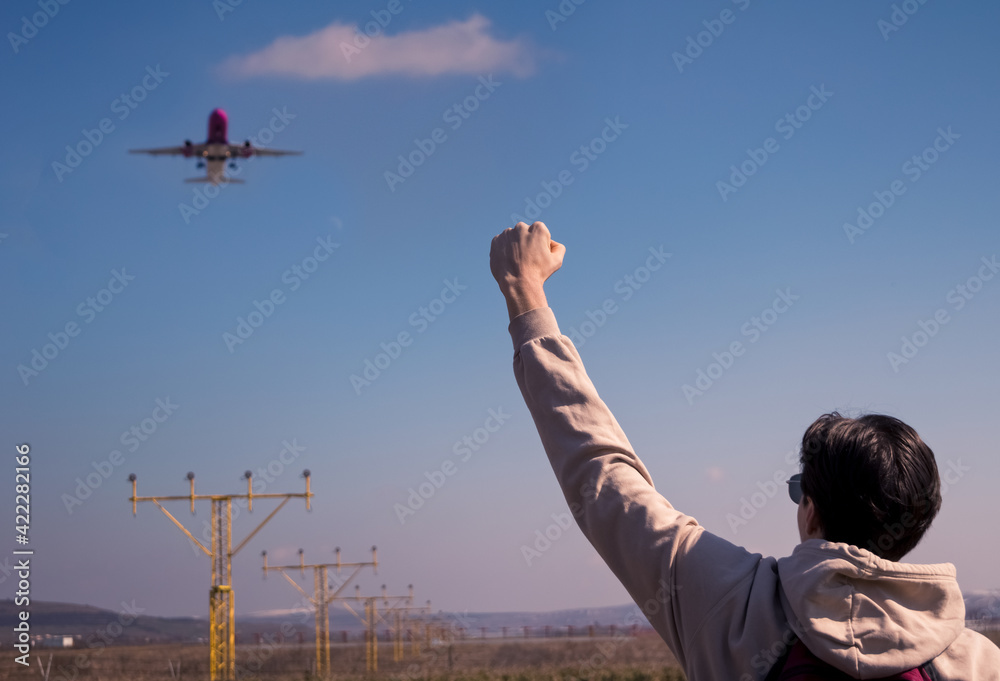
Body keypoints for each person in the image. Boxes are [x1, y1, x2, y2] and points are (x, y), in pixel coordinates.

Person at [489, 221, 1000, 680]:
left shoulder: (726, 602)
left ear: (811, 509)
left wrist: (525, 294)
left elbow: (601, 472)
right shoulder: (975, 662)